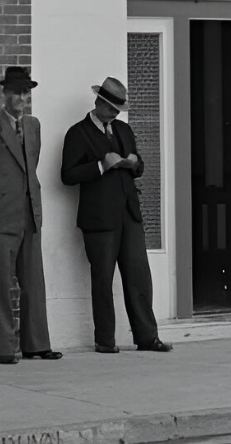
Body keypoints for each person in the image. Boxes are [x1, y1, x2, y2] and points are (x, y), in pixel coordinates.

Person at [60, 76, 172, 354]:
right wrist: (100, 165)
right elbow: (67, 175)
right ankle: (105, 341)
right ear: (98, 103)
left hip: (128, 213)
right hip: (99, 218)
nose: (114, 114)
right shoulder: (78, 133)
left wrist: (135, 164)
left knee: (139, 277)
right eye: (111, 108)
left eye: (118, 110)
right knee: (102, 279)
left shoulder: (123, 129)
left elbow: (139, 165)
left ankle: (147, 337)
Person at [0, 67, 63, 364]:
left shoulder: (33, 126)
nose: (22, 98)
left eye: (26, 92)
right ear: (5, 94)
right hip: (1, 218)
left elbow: (29, 165)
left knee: (34, 282)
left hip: (30, 215)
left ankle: (36, 344)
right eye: (17, 92)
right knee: (1, 283)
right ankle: (5, 347)